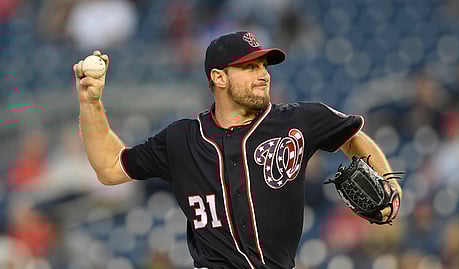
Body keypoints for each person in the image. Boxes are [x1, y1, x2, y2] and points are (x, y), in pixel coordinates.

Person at [73, 31, 402, 269]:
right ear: (219, 77)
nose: (262, 75)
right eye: (249, 67)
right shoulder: (181, 139)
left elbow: (352, 136)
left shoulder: (299, 119)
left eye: (263, 66)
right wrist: (90, 101)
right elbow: (110, 167)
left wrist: (388, 179)